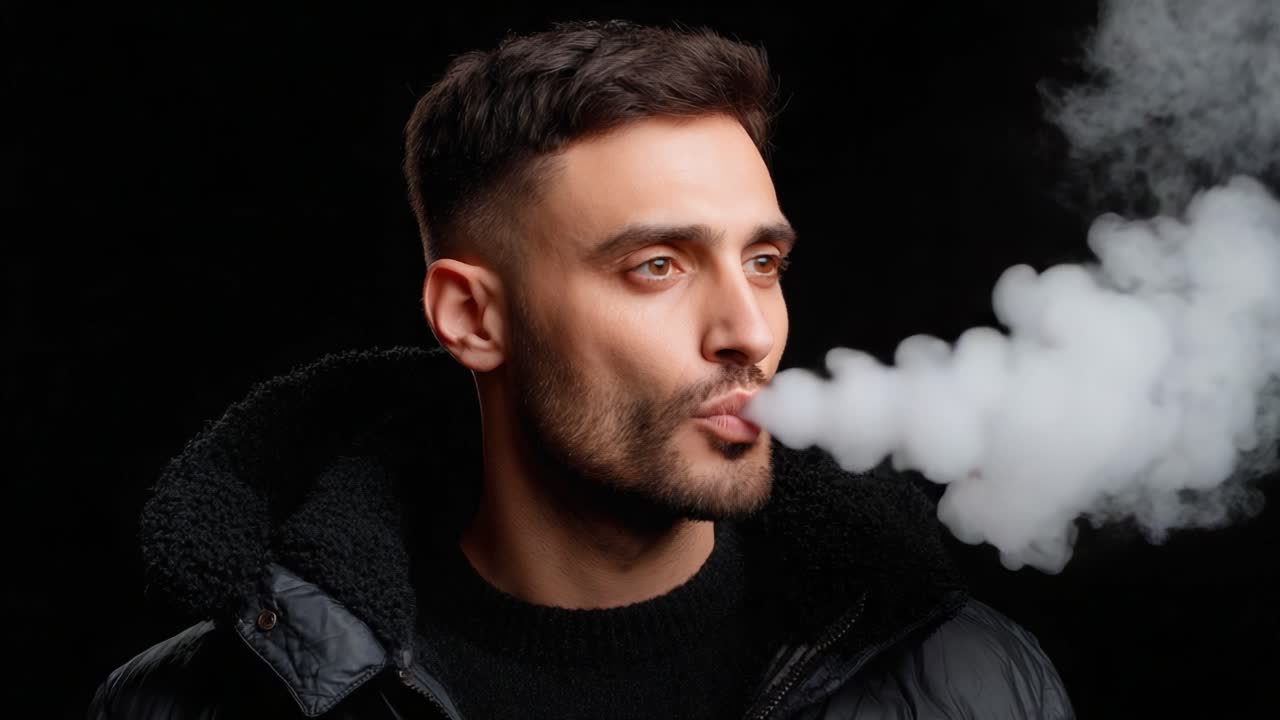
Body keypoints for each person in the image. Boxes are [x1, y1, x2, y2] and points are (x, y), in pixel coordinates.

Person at [88, 18, 1074, 719]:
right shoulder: (189, 704)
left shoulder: (973, 682)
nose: (749, 332)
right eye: (658, 267)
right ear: (472, 317)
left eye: (763, 263)